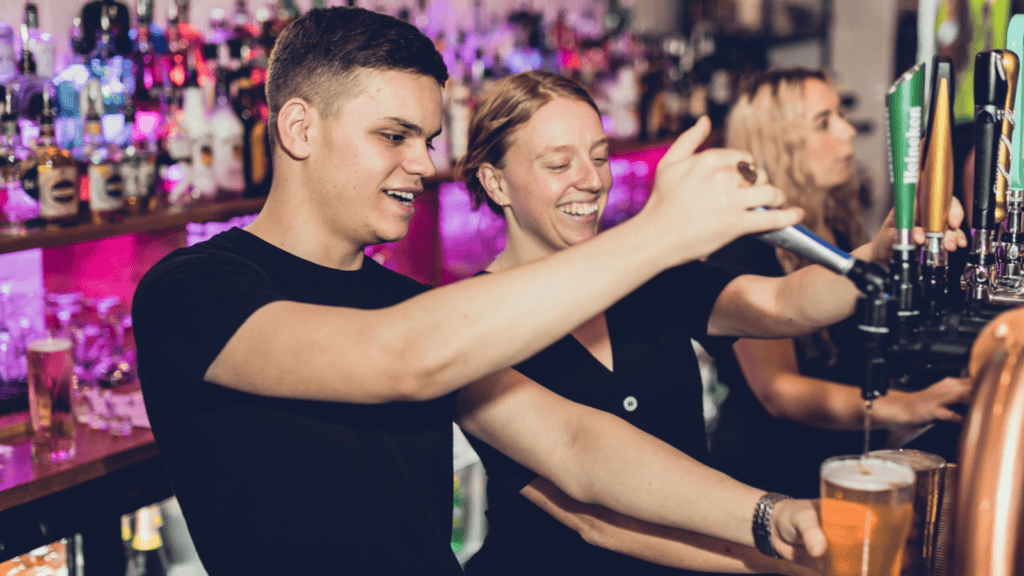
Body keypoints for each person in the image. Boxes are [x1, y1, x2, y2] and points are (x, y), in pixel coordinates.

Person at [131, 8, 828, 575]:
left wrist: (768, 516)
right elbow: (397, 361)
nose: (424, 164)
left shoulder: (407, 300)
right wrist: (660, 234)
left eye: (429, 139)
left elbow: (577, 445)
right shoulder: (196, 288)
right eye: (394, 135)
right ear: (299, 128)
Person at [452, 70, 966, 576]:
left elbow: (783, 301)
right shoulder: (468, 324)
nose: (591, 179)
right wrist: (776, 536)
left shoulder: (645, 273)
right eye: (559, 163)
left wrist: (877, 255)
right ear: (495, 182)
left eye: (600, 156)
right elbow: (593, 501)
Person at [706, 68, 972, 499]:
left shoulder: (836, 226)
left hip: (841, 464)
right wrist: (907, 405)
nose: (848, 131)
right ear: (777, 143)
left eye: (841, 114)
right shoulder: (745, 244)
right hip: (772, 482)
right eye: (824, 122)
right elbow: (779, 390)